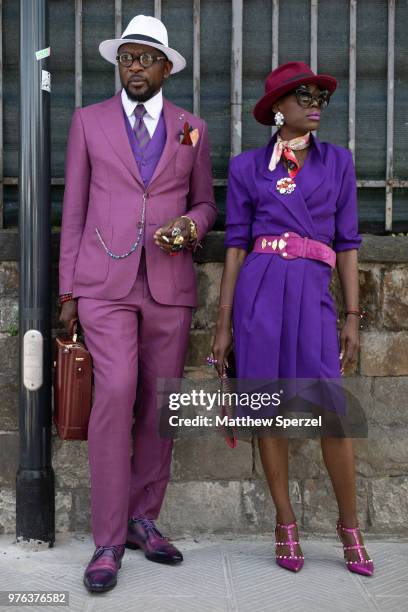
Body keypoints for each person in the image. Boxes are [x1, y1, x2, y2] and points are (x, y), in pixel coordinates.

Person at [58, 14, 217, 593]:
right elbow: (73, 207)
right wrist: (68, 290)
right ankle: (106, 539)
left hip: (168, 286)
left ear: (166, 67)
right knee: (117, 390)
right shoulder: (88, 122)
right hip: (103, 283)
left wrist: (190, 226)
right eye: (126, 57)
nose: (134, 67)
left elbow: (206, 205)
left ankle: (142, 519)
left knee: (159, 404)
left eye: (145, 58)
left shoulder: (191, 128)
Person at [211, 61, 373, 576]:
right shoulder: (245, 169)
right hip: (258, 292)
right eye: (302, 96)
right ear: (276, 108)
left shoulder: (339, 163)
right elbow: (235, 246)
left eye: (319, 97)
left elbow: (347, 244)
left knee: (333, 415)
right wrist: (223, 322)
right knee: (268, 411)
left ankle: (350, 527)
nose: (314, 104)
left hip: (312, 293)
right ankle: (284, 523)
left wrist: (352, 315)